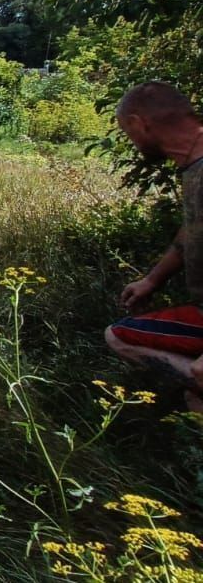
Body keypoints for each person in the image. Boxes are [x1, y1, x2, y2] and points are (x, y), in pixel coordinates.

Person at [105, 81, 203, 412]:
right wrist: (152, 280)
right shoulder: (194, 165)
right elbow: (191, 230)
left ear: (138, 123)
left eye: (127, 132)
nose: (132, 143)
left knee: (118, 337)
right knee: (192, 398)